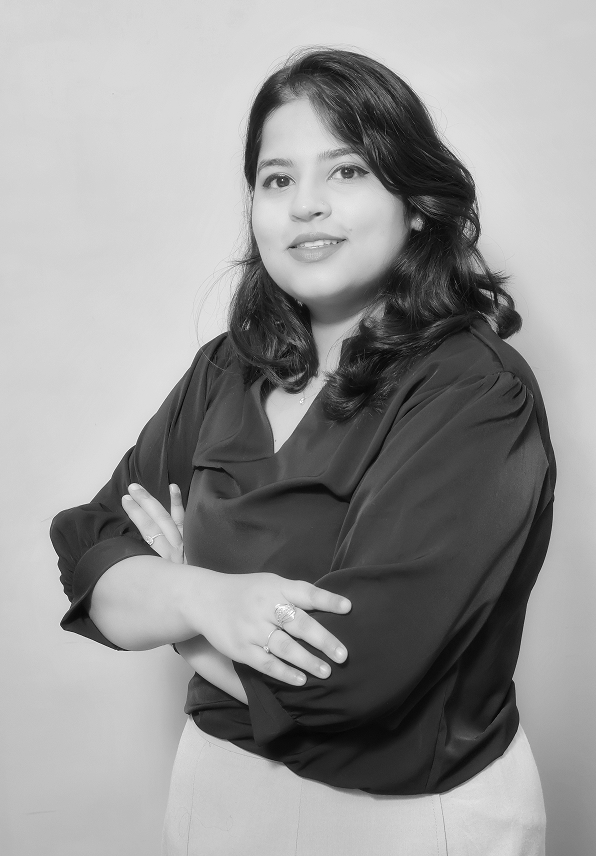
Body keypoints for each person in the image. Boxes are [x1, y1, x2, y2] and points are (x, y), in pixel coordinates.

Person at [50, 48, 555, 855]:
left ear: (415, 201)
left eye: (347, 171)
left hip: (405, 821)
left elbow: (355, 679)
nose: (306, 205)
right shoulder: (229, 367)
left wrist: (178, 617)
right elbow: (89, 542)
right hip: (215, 796)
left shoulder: (475, 392)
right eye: (277, 179)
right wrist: (207, 598)